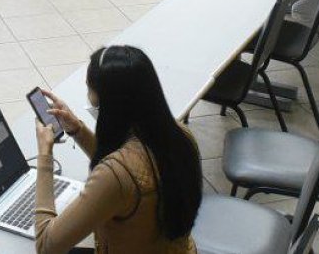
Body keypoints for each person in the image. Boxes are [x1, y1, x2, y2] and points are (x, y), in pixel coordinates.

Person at [32, 45, 200, 253]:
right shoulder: (181, 136)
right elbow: (127, 170)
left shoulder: (115, 176)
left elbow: (46, 245)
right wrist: (77, 129)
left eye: (88, 89)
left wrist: (45, 155)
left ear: (107, 103)